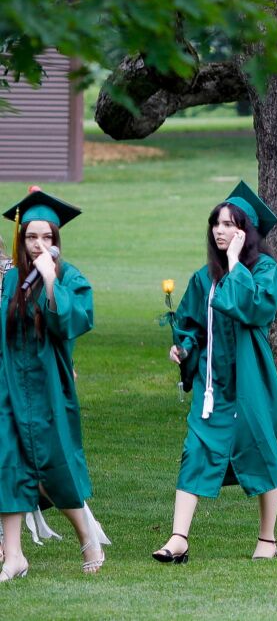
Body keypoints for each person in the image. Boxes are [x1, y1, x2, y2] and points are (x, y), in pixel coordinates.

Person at [154, 183, 277, 564]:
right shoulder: (203, 277)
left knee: (262, 449)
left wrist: (232, 264)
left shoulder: (265, 270)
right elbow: (192, 324)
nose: (220, 230)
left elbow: (256, 309)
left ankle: (267, 539)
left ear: (247, 231)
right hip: (213, 385)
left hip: (250, 379)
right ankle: (178, 538)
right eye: (216, 223)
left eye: (230, 224)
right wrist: (184, 348)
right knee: (195, 450)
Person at [1, 191, 105, 581]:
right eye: (32, 237)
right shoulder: (9, 279)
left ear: (57, 240)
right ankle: (14, 556)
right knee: (5, 464)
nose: (39, 245)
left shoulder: (69, 276)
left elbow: (74, 322)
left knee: (54, 468)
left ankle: (87, 537)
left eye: (47, 237)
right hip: (9, 386)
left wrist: (48, 282)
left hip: (48, 389)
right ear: (21, 239)